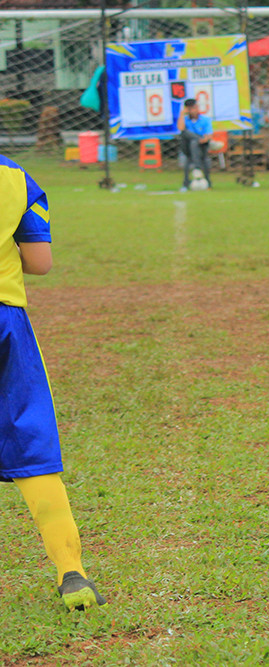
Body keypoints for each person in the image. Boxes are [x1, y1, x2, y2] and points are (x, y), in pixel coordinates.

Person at [0, 155, 106, 610]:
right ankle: (71, 572)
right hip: (5, 321)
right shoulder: (15, 177)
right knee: (32, 446)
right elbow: (39, 262)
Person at [178, 98, 213, 191]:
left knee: (194, 143)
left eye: (193, 108)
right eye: (189, 109)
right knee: (185, 134)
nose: (192, 111)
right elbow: (181, 128)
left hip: (202, 146)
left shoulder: (205, 120)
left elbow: (208, 135)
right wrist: (182, 114)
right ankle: (196, 168)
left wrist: (203, 139)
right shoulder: (185, 120)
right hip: (188, 147)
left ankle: (198, 170)